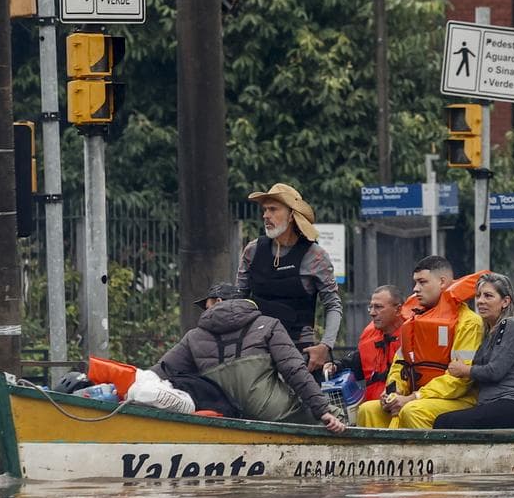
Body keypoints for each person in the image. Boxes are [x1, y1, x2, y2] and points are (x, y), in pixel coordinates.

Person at [152, 282, 346, 433]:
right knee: (337, 415)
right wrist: (323, 411)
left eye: (206, 304)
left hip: (224, 415)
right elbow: (295, 371)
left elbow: (160, 372)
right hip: (273, 413)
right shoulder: (269, 324)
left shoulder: (193, 337)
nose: (205, 310)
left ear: (218, 302)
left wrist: (129, 389)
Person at [356, 256, 484, 429]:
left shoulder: (469, 322)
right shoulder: (413, 322)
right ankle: (383, 457)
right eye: (415, 283)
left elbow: (460, 381)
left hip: (458, 400)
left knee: (412, 410)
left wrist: (413, 397)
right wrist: (392, 393)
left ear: (442, 282)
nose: (416, 289)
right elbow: (399, 365)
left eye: (422, 282)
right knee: (368, 410)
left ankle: (424, 456)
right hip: (417, 398)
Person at [237, 183, 341, 373]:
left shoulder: (315, 255)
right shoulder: (252, 250)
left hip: (299, 351)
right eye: (265, 209)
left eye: (273, 209)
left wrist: (325, 346)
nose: (265, 215)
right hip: (255, 348)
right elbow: (238, 299)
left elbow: (333, 305)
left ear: (292, 215)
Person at [434, 273, 514, 429]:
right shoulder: (489, 331)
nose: (480, 301)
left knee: (444, 422)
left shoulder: (512, 325)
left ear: (505, 301)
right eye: (478, 296)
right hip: (496, 404)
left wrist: (464, 370)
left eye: (488, 296)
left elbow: (495, 371)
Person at [322, 284, 405, 403]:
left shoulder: (412, 337)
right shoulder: (370, 337)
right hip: (372, 408)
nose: (372, 313)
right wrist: (336, 366)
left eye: (378, 307)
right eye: (370, 307)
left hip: (400, 407)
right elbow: (359, 362)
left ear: (398, 309)